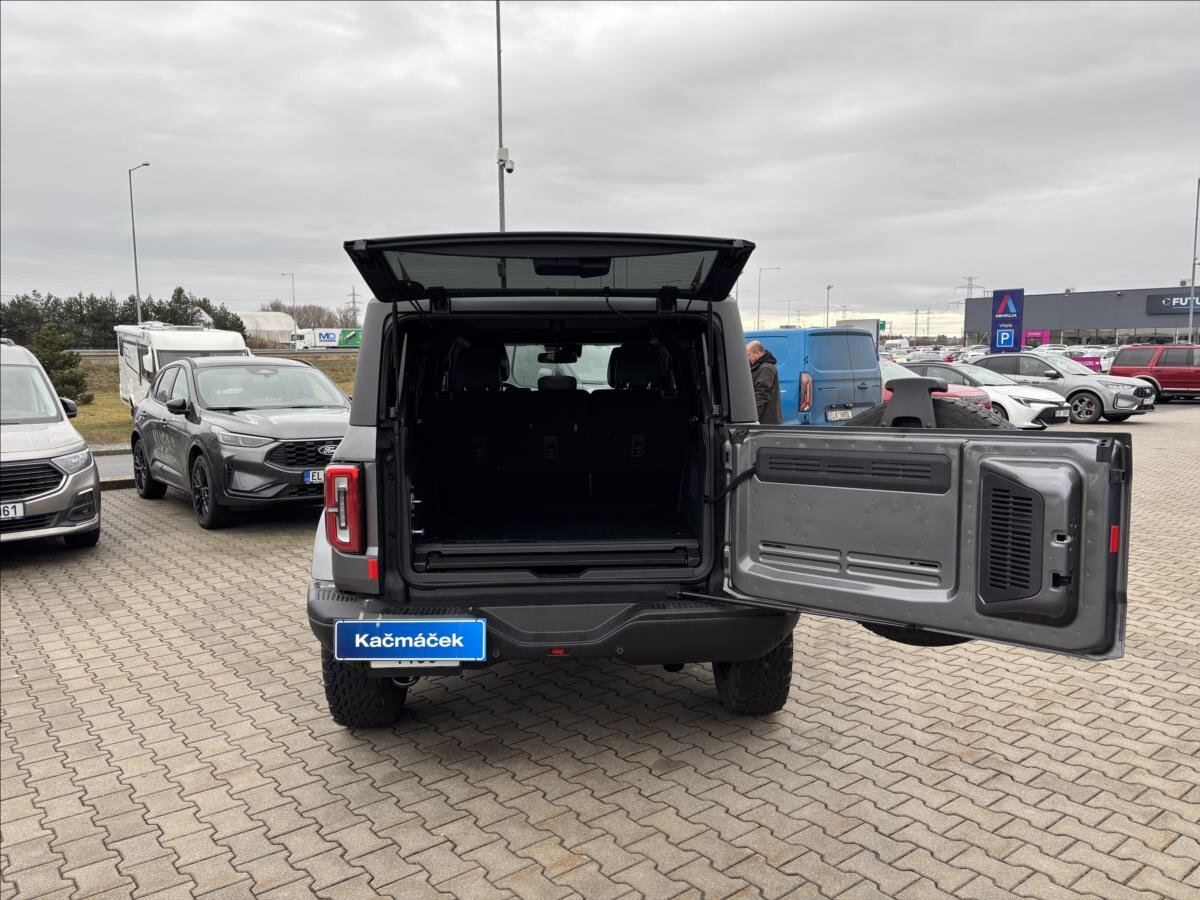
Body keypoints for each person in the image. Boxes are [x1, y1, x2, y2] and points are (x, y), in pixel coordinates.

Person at [747, 340, 782, 424]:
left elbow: (761, 394)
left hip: (765, 421)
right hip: (764, 420)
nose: (747, 358)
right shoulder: (760, 367)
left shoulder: (766, 368)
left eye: (749, 355)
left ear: (757, 353)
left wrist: (753, 418)